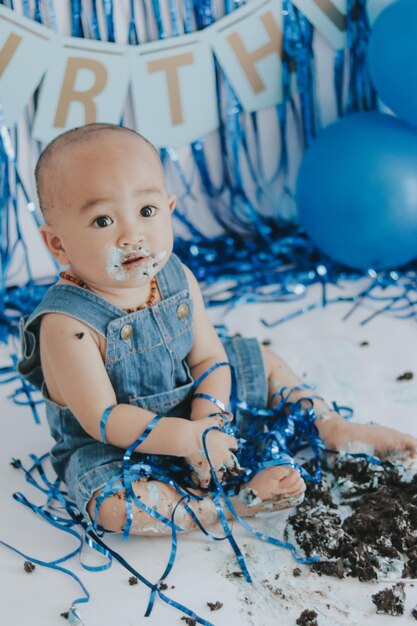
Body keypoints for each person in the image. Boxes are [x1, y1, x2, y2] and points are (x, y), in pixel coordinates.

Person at [18, 123, 417, 537]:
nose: (132, 234)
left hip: (192, 406)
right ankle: (232, 505)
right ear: (58, 244)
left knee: (262, 361)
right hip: (114, 446)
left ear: (170, 209)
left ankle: (328, 425)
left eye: (147, 211)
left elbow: (209, 357)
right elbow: (104, 419)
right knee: (115, 508)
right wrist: (188, 440)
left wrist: (210, 420)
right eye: (102, 220)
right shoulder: (67, 326)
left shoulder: (175, 277)